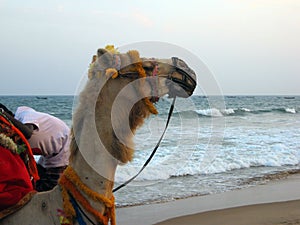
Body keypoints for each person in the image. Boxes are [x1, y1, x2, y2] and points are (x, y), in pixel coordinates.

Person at [14, 106, 70, 192]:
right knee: (35, 184)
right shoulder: (12, 133)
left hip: (63, 154)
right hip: (46, 157)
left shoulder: (24, 114)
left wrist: (3, 113)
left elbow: (28, 132)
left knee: (51, 190)